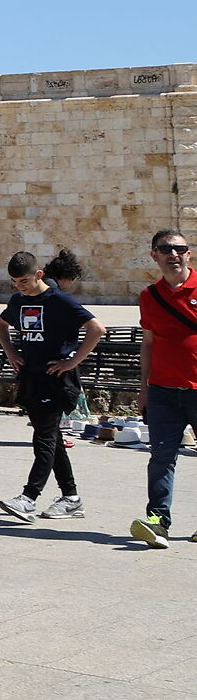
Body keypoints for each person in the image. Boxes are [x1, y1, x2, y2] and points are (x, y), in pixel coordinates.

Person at [0, 249, 101, 523]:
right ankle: (71, 498)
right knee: (51, 439)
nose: (21, 287)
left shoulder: (60, 300)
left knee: (43, 437)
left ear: (39, 275)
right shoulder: (18, 300)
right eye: (16, 283)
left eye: (25, 281)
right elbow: (0, 325)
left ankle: (28, 498)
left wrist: (73, 361)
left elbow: (97, 329)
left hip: (56, 379)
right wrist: (11, 352)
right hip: (32, 377)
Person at [133, 229, 197, 547]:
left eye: (179, 249)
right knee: (161, 458)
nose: (173, 254)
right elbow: (148, 343)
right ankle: (158, 522)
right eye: (166, 249)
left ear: (189, 254)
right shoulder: (150, 296)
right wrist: (144, 388)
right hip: (162, 391)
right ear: (154, 255)